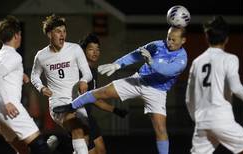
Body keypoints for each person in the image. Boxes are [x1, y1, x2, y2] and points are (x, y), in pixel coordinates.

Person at [53, 26, 188, 154]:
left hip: (157, 91)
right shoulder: (158, 45)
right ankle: (70, 107)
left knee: (160, 129)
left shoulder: (182, 59)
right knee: (102, 92)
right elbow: (136, 55)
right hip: (139, 80)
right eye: (168, 38)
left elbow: (166, 71)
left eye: (173, 40)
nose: (169, 42)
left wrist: (151, 62)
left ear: (183, 41)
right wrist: (117, 64)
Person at [30, 14, 94, 154]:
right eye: (58, 31)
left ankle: (51, 147)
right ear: (49, 34)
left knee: (85, 139)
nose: (62, 35)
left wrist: (83, 80)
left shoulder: (75, 49)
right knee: (77, 129)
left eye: (64, 31)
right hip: (58, 104)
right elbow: (34, 76)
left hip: (77, 101)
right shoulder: (41, 56)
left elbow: (87, 73)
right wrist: (41, 88)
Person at [185, 16, 243, 154]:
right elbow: (236, 88)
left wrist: (198, 119)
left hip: (202, 121)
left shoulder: (197, 62)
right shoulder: (230, 58)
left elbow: (189, 99)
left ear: (206, 37)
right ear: (226, 38)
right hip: (221, 118)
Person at [0, 15, 51, 154]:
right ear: (16, 35)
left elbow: (3, 73)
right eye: (20, 34)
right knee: (41, 146)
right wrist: (7, 103)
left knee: (23, 151)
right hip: (10, 110)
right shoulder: (14, 56)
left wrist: (19, 75)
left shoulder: (0, 54)